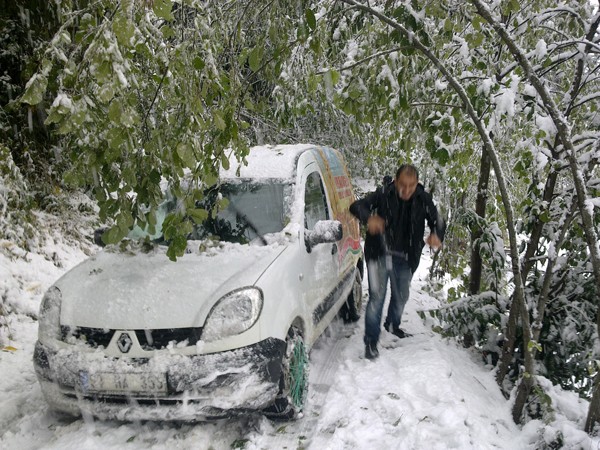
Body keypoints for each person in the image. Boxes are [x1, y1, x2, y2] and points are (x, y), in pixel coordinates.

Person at [349, 164, 444, 359]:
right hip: (379, 253)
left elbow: (438, 220)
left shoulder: (423, 199)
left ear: (417, 183)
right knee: (377, 297)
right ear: (395, 180)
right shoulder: (383, 194)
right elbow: (357, 206)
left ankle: (393, 325)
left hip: (406, 257)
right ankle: (371, 342)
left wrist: (437, 234)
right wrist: (369, 218)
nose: (406, 190)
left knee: (401, 296)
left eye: (411, 185)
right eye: (402, 184)